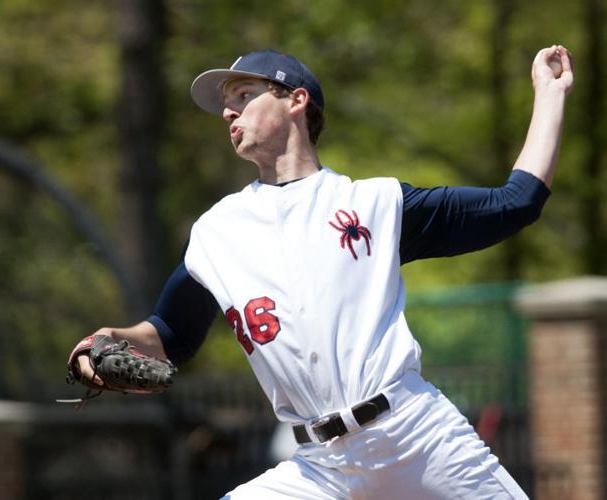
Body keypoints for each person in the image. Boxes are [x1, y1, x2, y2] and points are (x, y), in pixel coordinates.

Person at [73, 45, 573, 498]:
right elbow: (170, 333)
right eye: (227, 102)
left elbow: (515, 203)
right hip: (320, 465)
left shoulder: (374, 204)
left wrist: (548, 98)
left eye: (244, 94)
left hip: (415, 436)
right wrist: (110, 338)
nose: (228, 110)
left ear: (296, 100)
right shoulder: (215, 234)